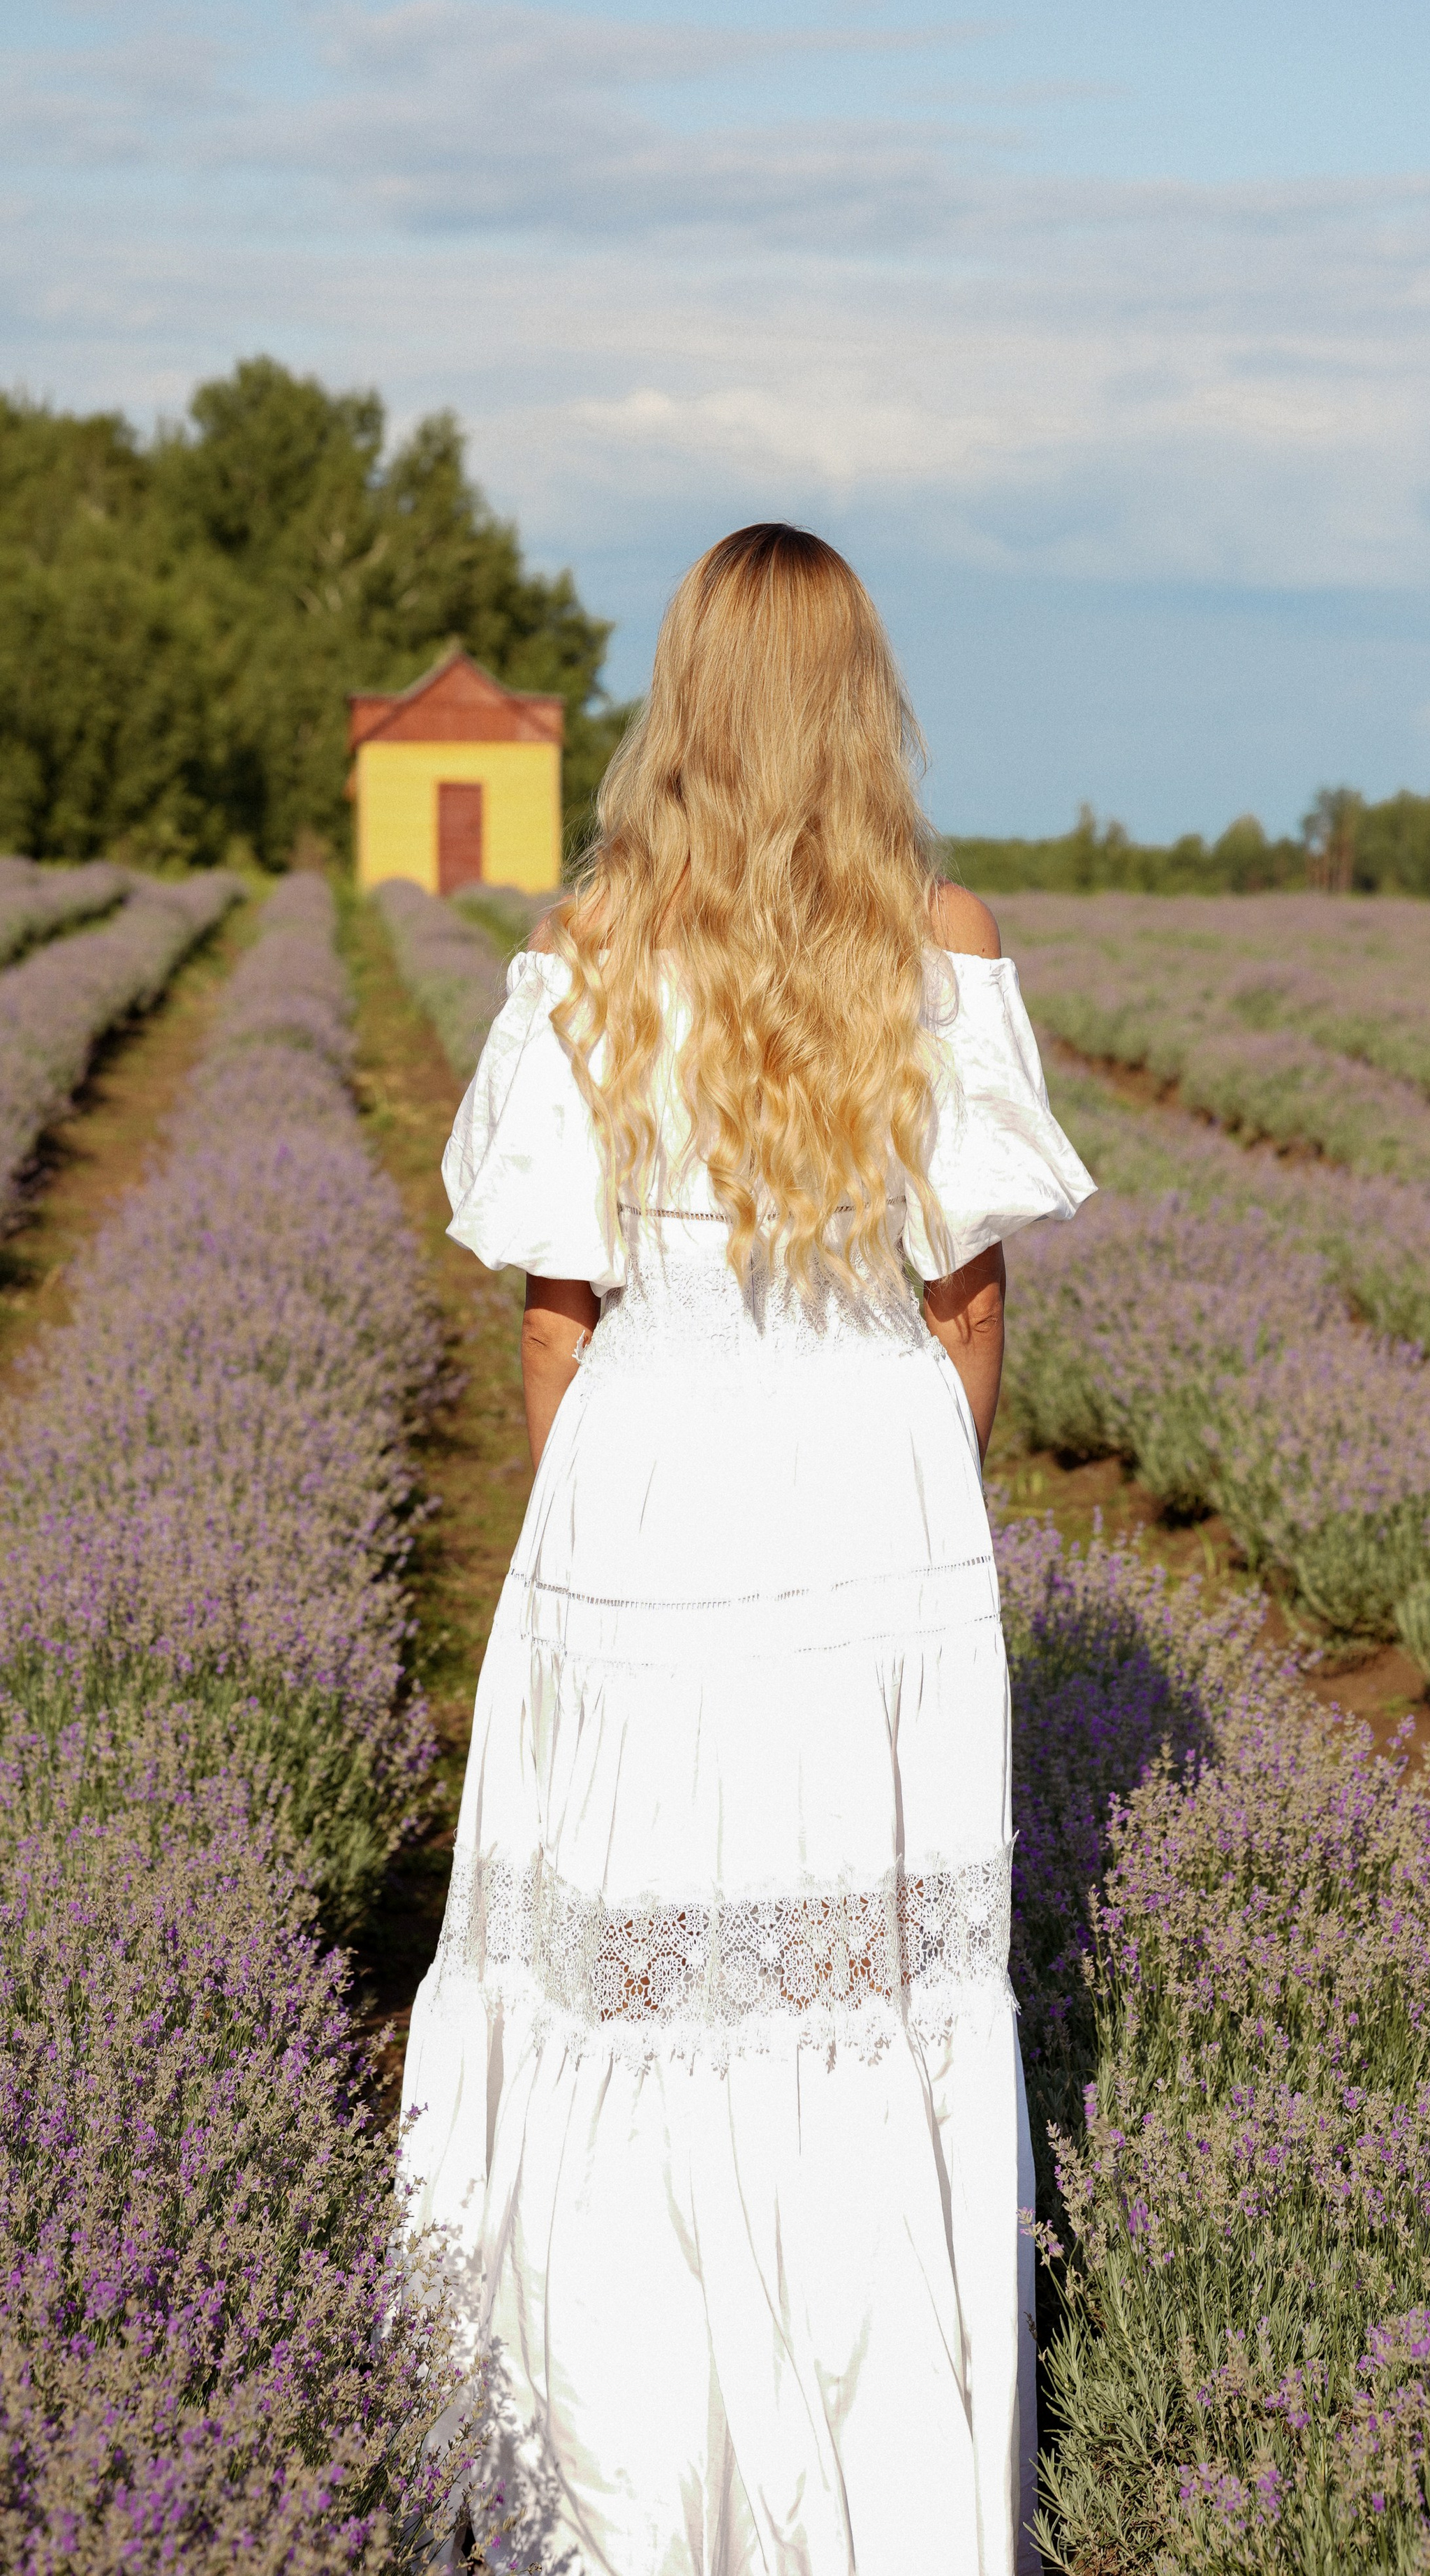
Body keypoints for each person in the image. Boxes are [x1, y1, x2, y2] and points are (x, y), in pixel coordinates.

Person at [398, 523, 1094, 2575]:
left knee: (624, 1999)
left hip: (645, 1502)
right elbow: (966, 1313)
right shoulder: (940, 939)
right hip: (872, 1512)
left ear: (680, 700)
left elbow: (555, 1320)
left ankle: (613, 2510)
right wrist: (882, 1522)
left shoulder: (588, 949)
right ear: (859, 698)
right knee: (866, 2012)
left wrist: (615, 1551)